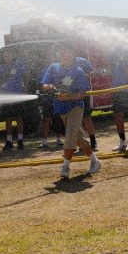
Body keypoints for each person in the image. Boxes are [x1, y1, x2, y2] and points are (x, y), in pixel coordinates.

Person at [39, 45, 102, 179]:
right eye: (62, 52)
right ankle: (95, 161)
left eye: (67, 52)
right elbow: (44, 85)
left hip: (76, 108)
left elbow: (82, 93)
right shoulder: (53, 67)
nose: (64, 55)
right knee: (78, 136)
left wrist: (68, 97)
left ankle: (65, 167)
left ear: (73, 55)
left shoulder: (78, 71)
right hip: (60, 109)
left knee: (70, 134)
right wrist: (48, 86)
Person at [0, 50, 26, 150]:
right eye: (5, 56)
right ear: (3, 57)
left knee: (19, 119)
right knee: (8, 120)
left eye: (9, 55)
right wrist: (0, 86)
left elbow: (26, 76)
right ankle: (9, 141)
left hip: (17, 96)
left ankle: (20, 141)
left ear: (12, 55)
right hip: (7, 97)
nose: (7, 57)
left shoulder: (19, 64)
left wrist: (25, 88)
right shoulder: (1, 67)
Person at [74, 54, 98, 152]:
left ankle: (93, 142)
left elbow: (93, 72)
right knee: (76, 120)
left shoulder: (81, 61)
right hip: (71, 95)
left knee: (86, 118)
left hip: (83, 92)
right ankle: (83, 142)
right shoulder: (61, 65)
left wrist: (83, 76)